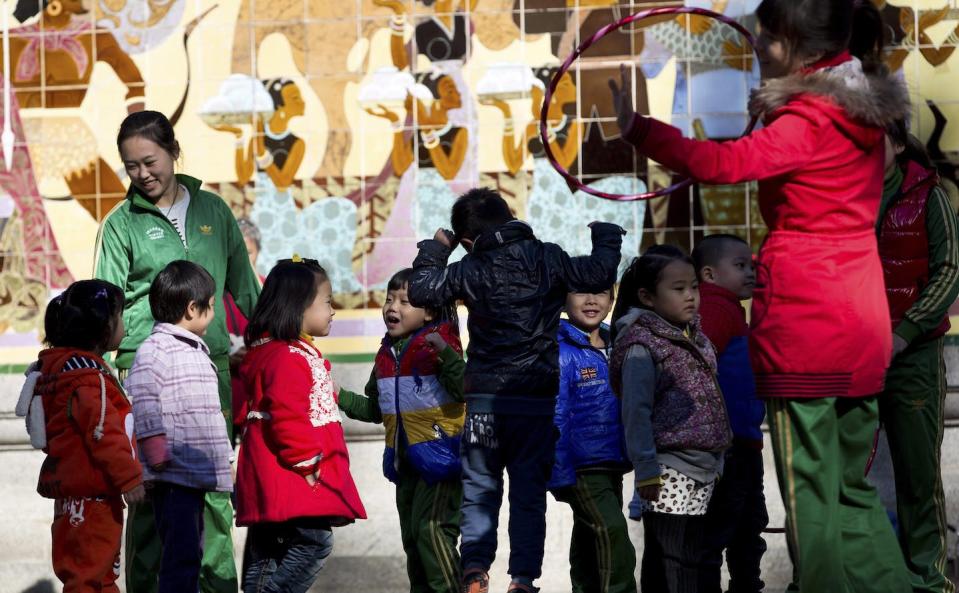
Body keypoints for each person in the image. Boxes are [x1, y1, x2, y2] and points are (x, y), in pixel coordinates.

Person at [609, 0, 912, 589]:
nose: (758, 48)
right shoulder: (863, 117)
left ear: (799, 46)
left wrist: (640, 130)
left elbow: (722, 164)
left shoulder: (808, 122)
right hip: (861, 320)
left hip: (809, 325)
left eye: (767, 40)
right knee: (853, 492)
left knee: (812, 508)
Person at [407, 187, 624, 593]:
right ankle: (522, 578)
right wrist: (607, 236)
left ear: (467, 241)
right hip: (535, 404)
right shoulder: (548, 256)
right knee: (528, 494)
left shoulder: (469, 268)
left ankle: (474, 570)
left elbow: (421, 290)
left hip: (485, 404)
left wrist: (437, 249)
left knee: (480, 490)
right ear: (510, 217)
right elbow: (597, 273)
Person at [94, 110, 260, 593]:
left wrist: (280, 340)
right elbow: (105, 306)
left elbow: (247, 291)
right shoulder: (120, 223)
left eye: (150, 161)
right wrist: (103, 383)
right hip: (144, 380)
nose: (143, 174)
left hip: (210, 379)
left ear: (173, 151)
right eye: (131, 166)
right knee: (150, 502)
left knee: (213, 498)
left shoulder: (214, 211)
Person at [237, 258, 366, 593]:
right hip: (294, 476)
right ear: (298, 306)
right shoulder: (288, 357)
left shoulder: (277, 352)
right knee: (315, 542)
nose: (333, 310)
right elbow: (287, 416)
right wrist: (308, 461)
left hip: (278, 476)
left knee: (269, 552)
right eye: (326, 301)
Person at [609, 245, 731, 593]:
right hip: (667, 470)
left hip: (703, 466)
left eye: (693, 286)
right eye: (678, 289)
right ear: (647, 296)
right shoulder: (641, 346)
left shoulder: (695, 336)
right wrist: (646, 468)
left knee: (688, 556)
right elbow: (636, 412)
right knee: (671, 560)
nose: (690, 296)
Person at [338, 267, 465, 593]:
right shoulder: (386, 355)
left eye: (405, 301)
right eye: (389, 298)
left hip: (441, 461)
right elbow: (377, 409)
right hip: (404, 464)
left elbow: (466, 388)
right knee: (413, 539)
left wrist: (446, 353)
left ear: (429, 313)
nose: (393, 307)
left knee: (432, 532)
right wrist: (339, 396)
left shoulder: (439, 346)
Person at [20, 280, 144, 593]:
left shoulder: (63, 373)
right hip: (93, 499)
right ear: (104, 328)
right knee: (88, 577)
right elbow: (105, 435)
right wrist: (130, 479)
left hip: (75, 496)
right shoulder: (87, 381)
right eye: (121, 318)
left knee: (91, 574)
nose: (125, 327)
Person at [877, 120, 959, 593]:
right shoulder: (839, 199)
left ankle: (927, 579)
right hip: (851, 353)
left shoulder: (932, 198)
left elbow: (950, 271)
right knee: (842, 471)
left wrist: (906, 331)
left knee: (918, 474)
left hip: (915, 356)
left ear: (898, 142)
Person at [124, 261, 234, 593]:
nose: (213, 312)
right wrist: (156, 454)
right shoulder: (156, 349)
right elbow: (142, 398)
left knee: (189, 553)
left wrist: (224, 461)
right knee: (180, 557)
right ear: (191, 308)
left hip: (193, 474)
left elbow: (209, 414)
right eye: (211, 305)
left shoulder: (195, 350)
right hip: (173, 474)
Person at [692, 235, 767, 593]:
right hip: (728, 447)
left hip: (742, 442)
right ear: (709, 273)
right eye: (740, 266)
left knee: (745, 533)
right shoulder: (716, 309)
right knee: (728, 534)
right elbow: (698, 367)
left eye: (751, 265)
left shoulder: (730, 307)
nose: (750, 273)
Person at [548, 287, 635, 593]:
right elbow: (555, 415)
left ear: (612, 300)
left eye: (600, 292)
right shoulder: (559, 350)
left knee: (590, 539)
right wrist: (558, 474)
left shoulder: (619, 343)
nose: (591, 300)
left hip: (613, 461)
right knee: (612, 533)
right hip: (582, 467)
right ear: (563, 300)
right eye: (580, 292)